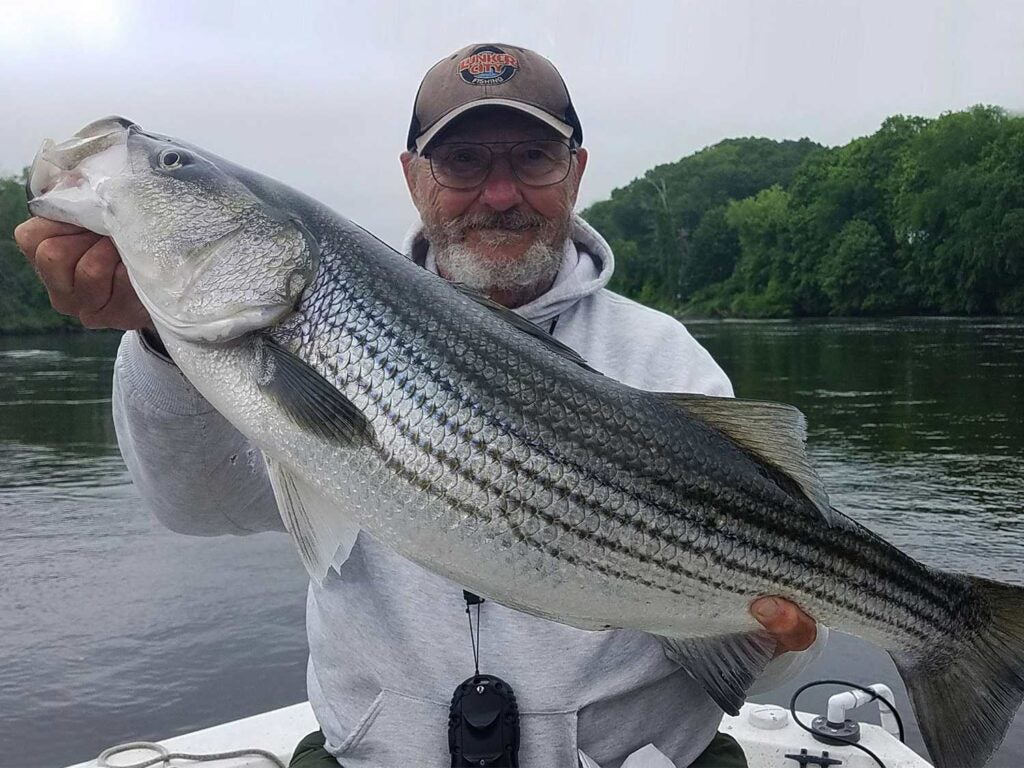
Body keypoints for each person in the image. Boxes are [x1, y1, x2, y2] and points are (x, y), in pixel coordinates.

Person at [16, 43, 824, 768]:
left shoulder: (666, 359)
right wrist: (159, 341)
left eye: (533, 159)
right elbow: (200, 505)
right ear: (413, 177)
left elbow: (763, 650)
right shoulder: (305, 324)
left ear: (575, 174)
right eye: (463, 161)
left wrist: (780, 642)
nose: (498, 193)